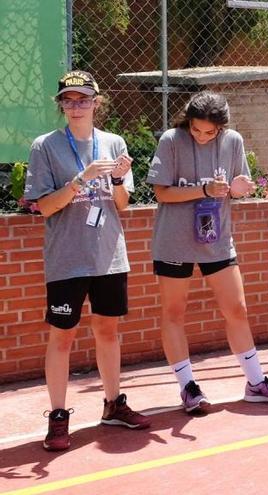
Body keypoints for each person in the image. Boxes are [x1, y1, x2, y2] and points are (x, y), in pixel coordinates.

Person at [24, 70, 151, 451]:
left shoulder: (113, 142)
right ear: (60, 105)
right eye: (68, 100)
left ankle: (113, 404)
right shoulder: (44, 146)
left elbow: (123, 204)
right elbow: (45, 207)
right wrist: (79, 180)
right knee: (62, 337)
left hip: (109, 256)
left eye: (83, 99)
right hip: (67, 258)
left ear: (97, 103)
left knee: (108, 331)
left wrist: (115, 181)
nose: (76, 106)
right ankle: (58, 415)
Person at [148, 91, 268, 413]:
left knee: (237, 310)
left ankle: (256, 382)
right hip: (174, 242)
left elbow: (237, 187)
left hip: (217, 241)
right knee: (174, 314)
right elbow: (161, 192)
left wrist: (240, 190)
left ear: (222, 127)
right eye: (196, 129)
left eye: (209, 132)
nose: (201, 136)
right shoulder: (172, 140)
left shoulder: (233, 141)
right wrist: (202, 190)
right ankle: (188, 387)